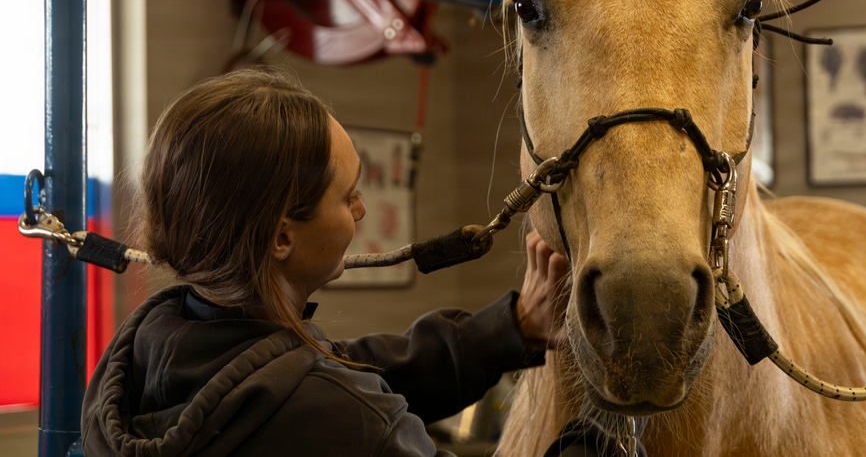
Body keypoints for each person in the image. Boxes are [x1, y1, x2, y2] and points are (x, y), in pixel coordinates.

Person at [80, 65, 646, 456]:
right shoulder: (340, 417)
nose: (362, 209)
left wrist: (511, 328)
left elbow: (350, 365)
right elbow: (339, 399)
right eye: (346, 194)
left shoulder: (142, 350)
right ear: (281, 238)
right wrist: (601, 435)